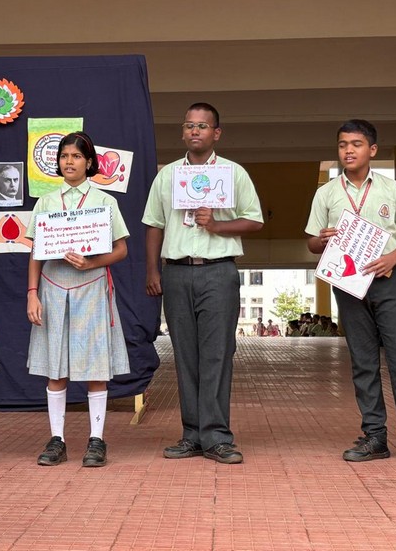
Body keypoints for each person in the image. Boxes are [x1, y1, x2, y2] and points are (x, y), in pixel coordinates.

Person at [305, 118, 396, 465]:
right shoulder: (326, 192)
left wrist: (393, 257)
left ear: (372, 150)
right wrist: (320, 239)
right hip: (349, 285)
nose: (348, 150)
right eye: (342, 145)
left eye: (355, 144)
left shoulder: (390, 189)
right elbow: (310, 242)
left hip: (387, 281)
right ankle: (374, 437)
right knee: (364, 362)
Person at [143, 102, 263, 464]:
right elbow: (154, 225)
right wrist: (153, 271)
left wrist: (216, 225)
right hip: (177, 271)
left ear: (216, 133)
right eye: (189, 126)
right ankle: (191, 434)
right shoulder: (167, 176)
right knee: (185, 356)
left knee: (217, 354)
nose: (195, 131)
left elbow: (254, 221)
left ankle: (218, 437)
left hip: (219, 271)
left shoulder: (233, 173)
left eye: (203, 126)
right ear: (182, 132)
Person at [26, 131, 130, 468]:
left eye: (76, 156)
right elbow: (35, 253)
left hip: (91, 287)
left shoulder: (104, 201)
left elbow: (121, 249)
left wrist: (91, 262)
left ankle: (96, 439)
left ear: (89, 162)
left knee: (94, 366)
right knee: (55, 368)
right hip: (53, 288)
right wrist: (32, 293)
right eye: (64, 156)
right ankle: (57, 438)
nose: (69, 161)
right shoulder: (46, 202)